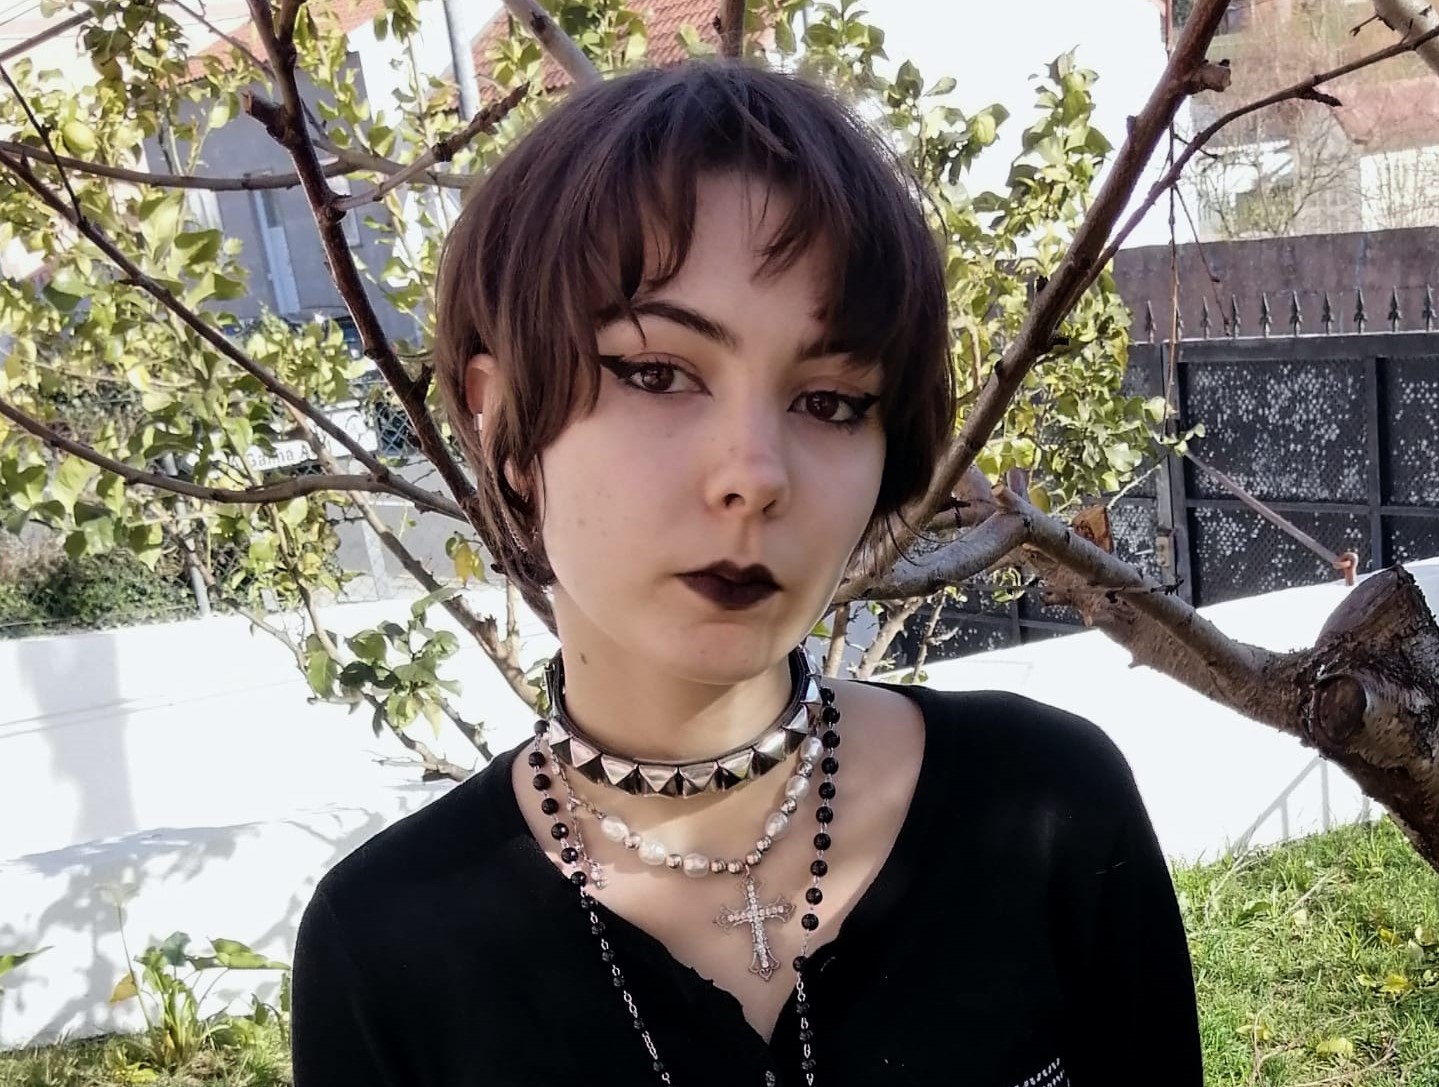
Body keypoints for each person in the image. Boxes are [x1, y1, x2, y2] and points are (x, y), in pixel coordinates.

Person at [289, 60, 1202, 1087]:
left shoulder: (1047, 808)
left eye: (829, 401)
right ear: (503, 423)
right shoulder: (386, 949)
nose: (756, 475)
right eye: (657, 372)